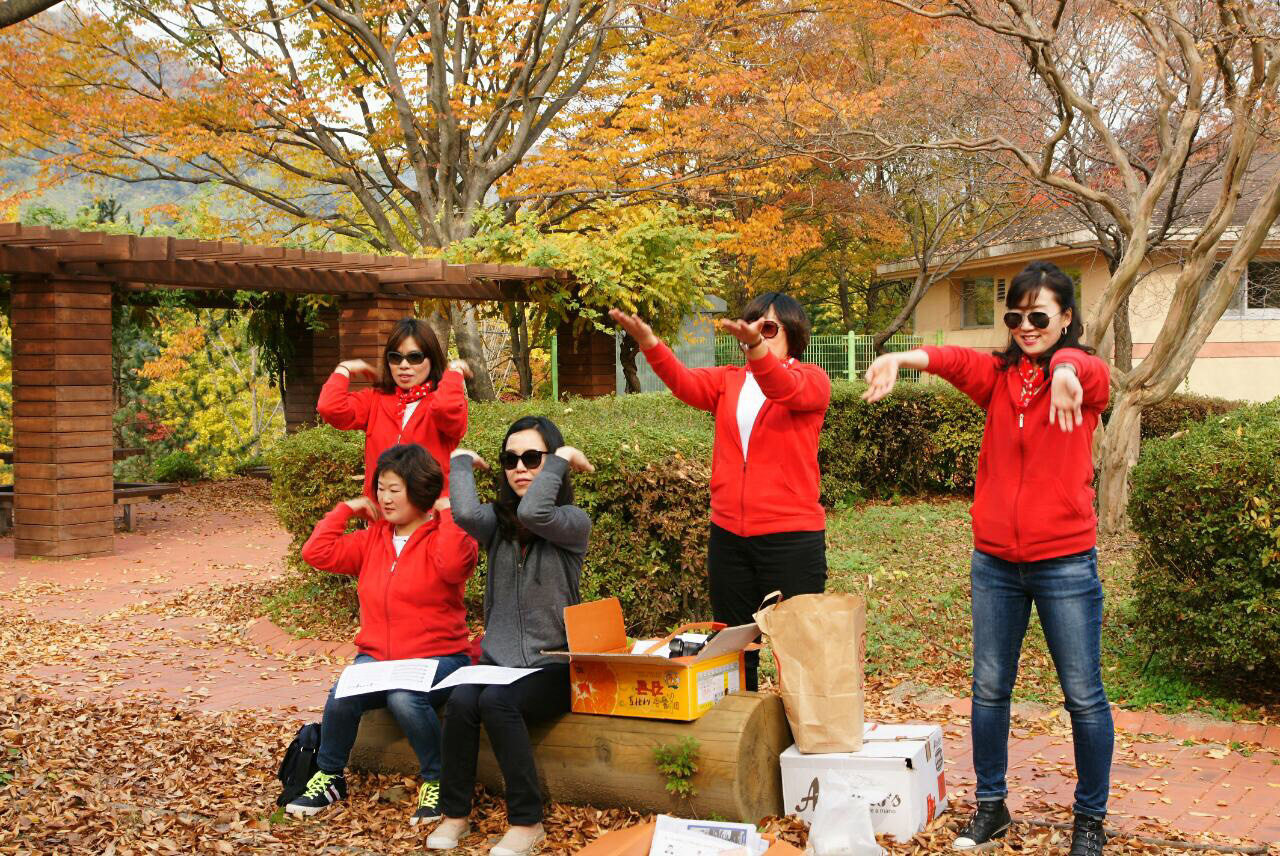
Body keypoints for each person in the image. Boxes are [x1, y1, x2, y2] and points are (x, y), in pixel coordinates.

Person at [862, 261, 1112, 856]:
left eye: (1039, 316)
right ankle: (992, 807)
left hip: (1065, 561)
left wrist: (1066, 370)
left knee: (1083, 695)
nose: (1026, 326)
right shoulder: (1000, 378)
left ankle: (1089, 820)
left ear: (1066, 317)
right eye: (1015, 316)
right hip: (996, 562)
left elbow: (1089, 370)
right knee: (990, 689)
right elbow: (952, 360)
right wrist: (899, 359)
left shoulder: (1084, 374)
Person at [609, 294, 831, 691]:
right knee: (735, 649)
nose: (756, 336)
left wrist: (758, 349)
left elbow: (779, 386)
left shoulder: (810, 380)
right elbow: (684, 382)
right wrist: (649, 342)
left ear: (792, 334)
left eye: (768, 328)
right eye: (751, 327)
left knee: (799, 651)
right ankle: (743, 722)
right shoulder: (729, 381)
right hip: (729, 538)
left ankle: (804, 727)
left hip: (791, 539)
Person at [427, 416, 594, 856]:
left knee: (497, 703)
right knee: (462, 701)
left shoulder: (572, 522)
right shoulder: (496, 525)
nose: (520, 467)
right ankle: (455, 815)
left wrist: (561, 460)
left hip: (554, 664)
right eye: (510, 459)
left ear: (553, 463)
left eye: (533, 458)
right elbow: (465, 512)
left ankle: (526, 821)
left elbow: (535, 512)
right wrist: (460, 462)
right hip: (499, 663)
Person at [287, 444, 478, 826]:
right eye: (381, 489)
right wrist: (346, 509)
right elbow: (316, 553)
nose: (385, 498)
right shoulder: (373, 539)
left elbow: (456, 566)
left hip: (440, 656)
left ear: (419, 491)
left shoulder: (443, 536)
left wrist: (446, 513)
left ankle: (438, 779)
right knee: (342, 694)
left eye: (395, 489)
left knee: (404, 698)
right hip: (379, 658)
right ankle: (330, 776)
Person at [317, 318, 472, 497]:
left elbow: (445, 408)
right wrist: (344, 368)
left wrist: (454, 373)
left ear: (432, 360)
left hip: (429, 512)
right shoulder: (375, 399)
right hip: (381, 511)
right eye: (396, 357)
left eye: (414, 357)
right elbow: (329, 408)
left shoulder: (443, 401)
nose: (404, 365)